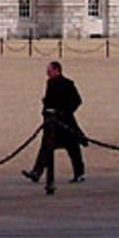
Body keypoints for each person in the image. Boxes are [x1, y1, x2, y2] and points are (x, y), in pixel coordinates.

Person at [23, 60, 87, 194]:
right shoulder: (49, 83)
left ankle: (79, 173)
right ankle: (37, 172)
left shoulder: (68, 84)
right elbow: (49, 100)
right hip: (51, 123)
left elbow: (77, 100)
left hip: (65, 122)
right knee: (46, 148)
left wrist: (65, 111)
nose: (47, 72)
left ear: (57, 70)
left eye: (50, 70)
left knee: (73, 148)